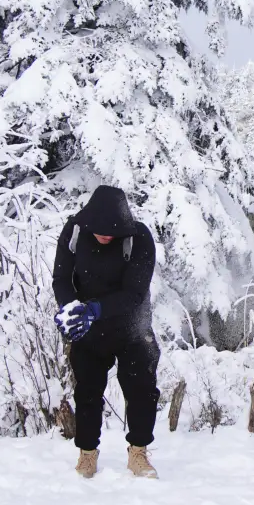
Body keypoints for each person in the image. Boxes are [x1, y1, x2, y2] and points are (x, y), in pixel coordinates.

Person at [53, 186, 160, 480]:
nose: (105, 236)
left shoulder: (139, 238)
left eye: (112, 232)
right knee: (87, 391)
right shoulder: (74, 232)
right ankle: (87, 455)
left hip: (132, 326)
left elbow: (135, 293)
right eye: (99, 231)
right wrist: (69, 309)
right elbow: (61, 278)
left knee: (142, 390)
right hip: (90, 328)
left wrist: (94, 309)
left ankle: (138, 452)